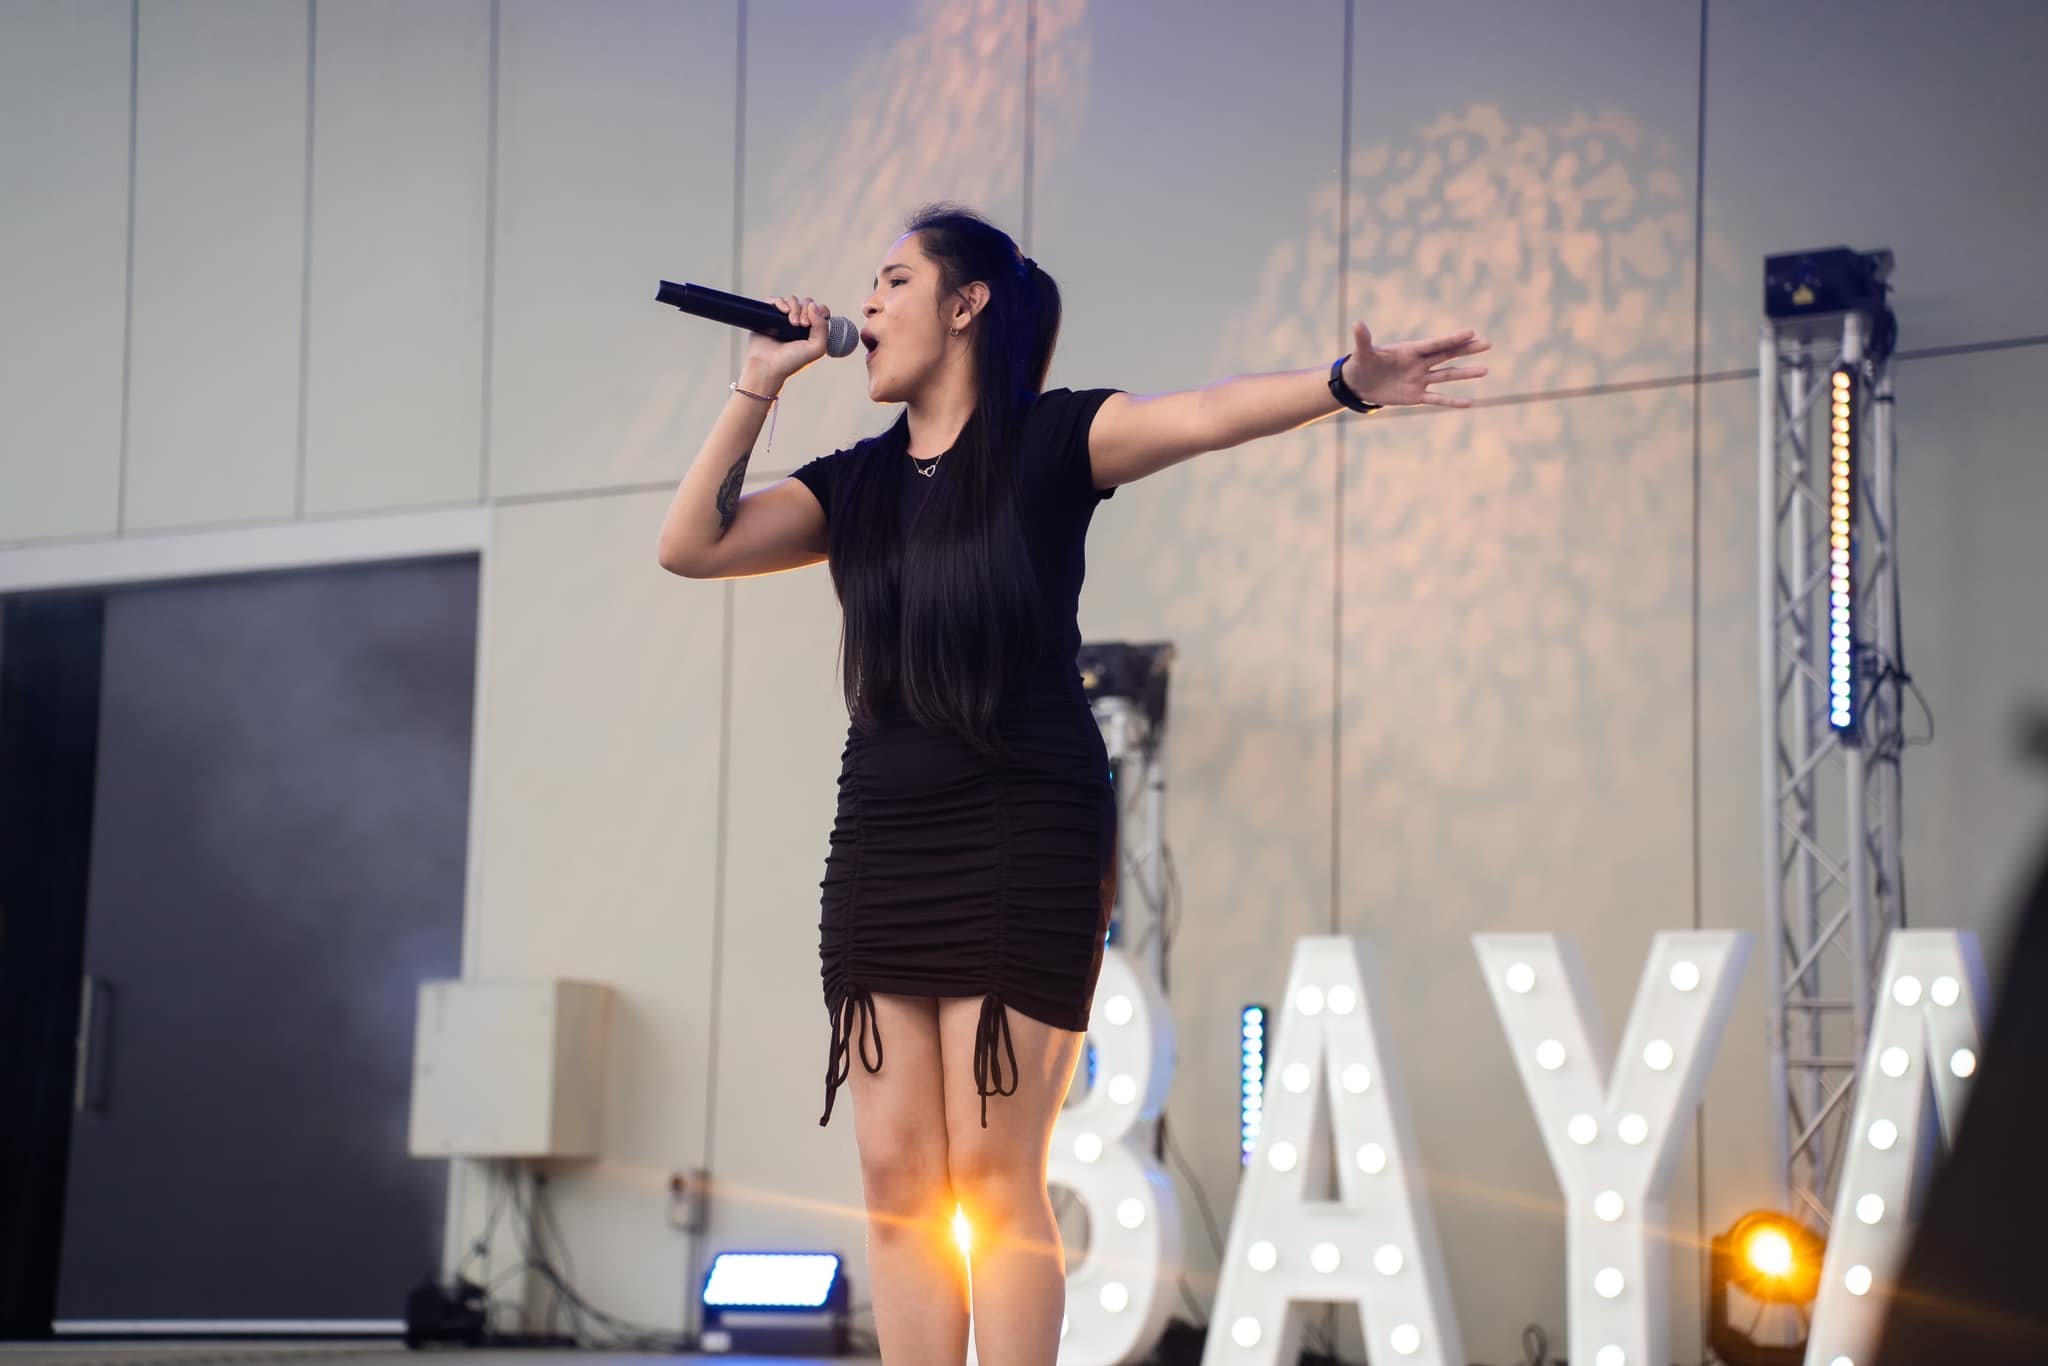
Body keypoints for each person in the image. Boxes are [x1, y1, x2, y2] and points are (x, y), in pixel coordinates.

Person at [655, 202, 1488, 1366]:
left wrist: (1343, 384)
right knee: (897, 1178)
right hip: (884, 833)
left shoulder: (1052, 443)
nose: (872, 303)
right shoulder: (853, 485)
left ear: (966, 304)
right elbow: (690, 543)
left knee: (992, 1179)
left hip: (1020, 822)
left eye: (895, 280)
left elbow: (1201, 417)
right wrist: (761, 381)